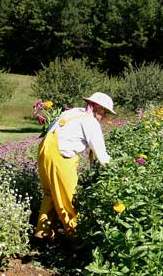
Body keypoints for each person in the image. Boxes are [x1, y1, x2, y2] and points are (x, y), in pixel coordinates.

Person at [33, 92, 116, 243]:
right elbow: (102, 155)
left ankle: (42, 232)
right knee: (67, 199)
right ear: (97, 107)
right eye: (104, 111)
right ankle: (75, 238)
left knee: (50, 194)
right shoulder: (90, 122)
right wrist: (116, 171)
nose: (104, 116)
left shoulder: (73, 112)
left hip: (44, 152)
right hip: (60, 156)